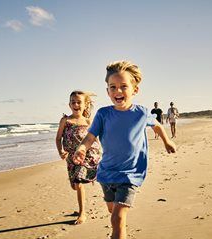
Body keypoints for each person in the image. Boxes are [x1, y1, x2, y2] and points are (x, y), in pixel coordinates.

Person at [73, 61, 176, 239]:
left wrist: (167, 141)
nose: (118, 91)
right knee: (113, 211)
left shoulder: (141, 113)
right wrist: (82, 148)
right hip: (106, 173)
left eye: (123, 87)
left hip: (131, 174)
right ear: (107, 91)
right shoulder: (103, 114)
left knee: (117, 218)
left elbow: (157, 125)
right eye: (113, 87)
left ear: (135, 90)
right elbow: (90, 137)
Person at [55, 90, 101, 225]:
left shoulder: (88, 121)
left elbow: (94, 138)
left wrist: (100, 151)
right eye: (73, 102)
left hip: (86, 156)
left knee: (79, 183)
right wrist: (60, 151)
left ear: (85, 104)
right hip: (71, 158)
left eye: (78, 102)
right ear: (69, 104)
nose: (75, 104)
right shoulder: (65, 120)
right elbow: (58, 139)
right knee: (74, 186)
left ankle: (82, 213)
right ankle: (81, 206)